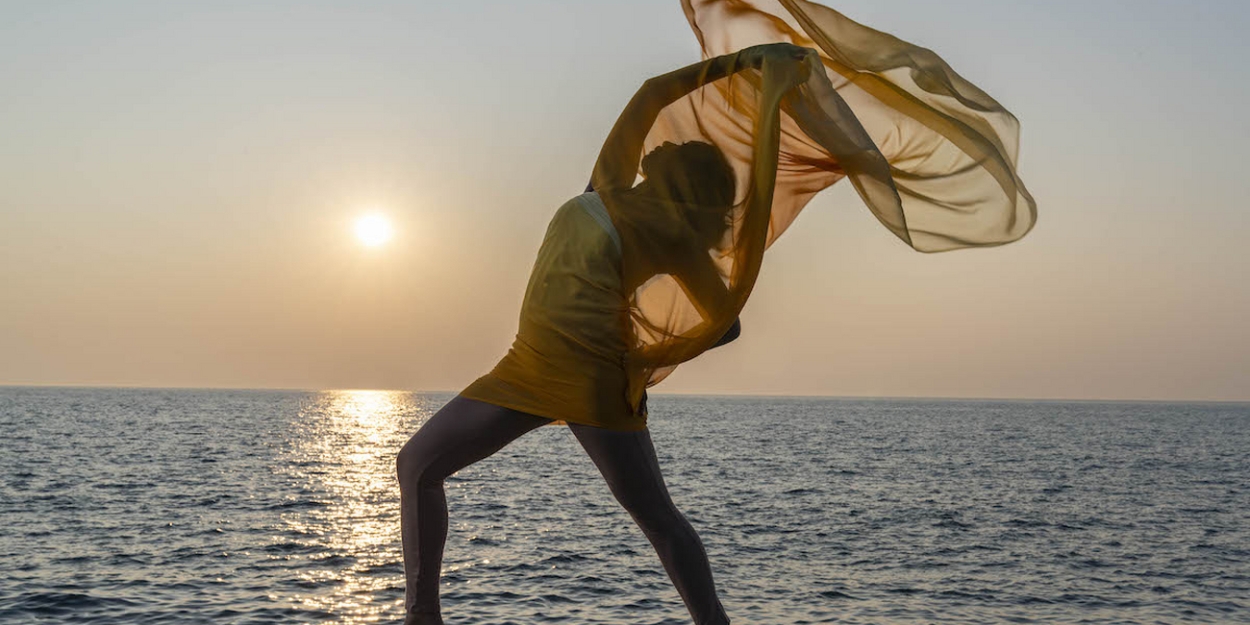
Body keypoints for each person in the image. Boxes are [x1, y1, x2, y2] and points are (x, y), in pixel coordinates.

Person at [396, 43, 812, 625]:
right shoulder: (605, 188)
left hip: (595, 381)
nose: (661, 151)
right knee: (417, 463)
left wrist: (641, 356)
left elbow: (727, 324)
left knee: (656, 518)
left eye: (675, 160)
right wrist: (747, 62)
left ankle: (711, 620)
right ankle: (422, 616)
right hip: (525, 366)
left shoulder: (672, 238)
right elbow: (651, 94)